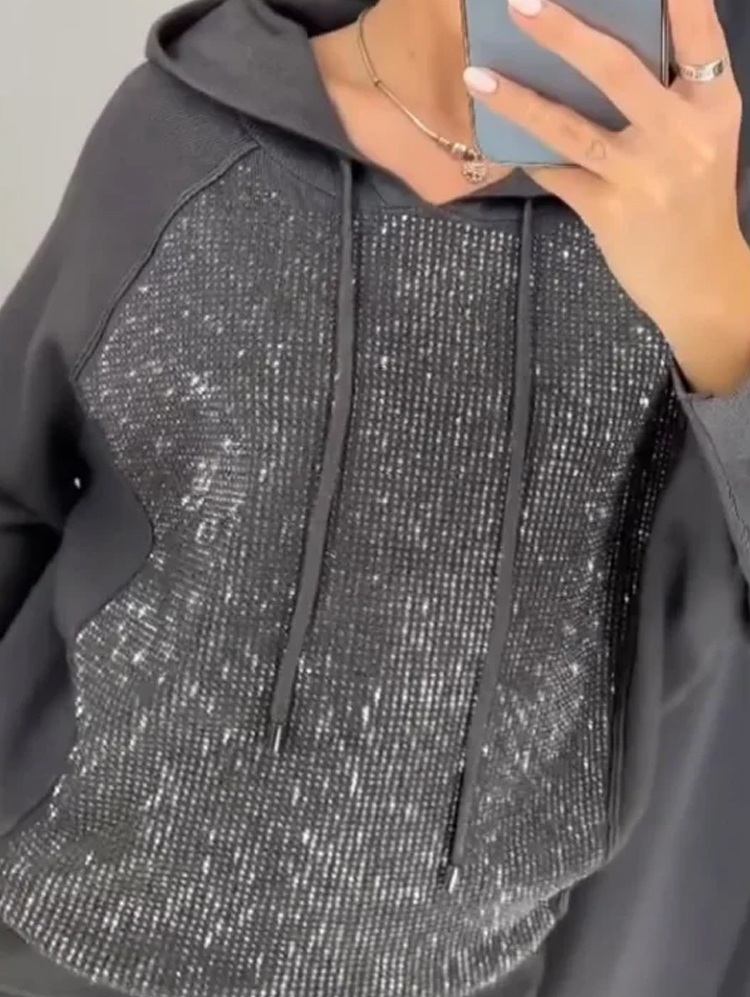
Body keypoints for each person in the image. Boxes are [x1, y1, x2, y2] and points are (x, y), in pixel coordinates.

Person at [0, 0, 749, 994]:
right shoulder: (186, 133)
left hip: (465, 964)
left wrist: (721, 307)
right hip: (60, 922)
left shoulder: (706, 219)